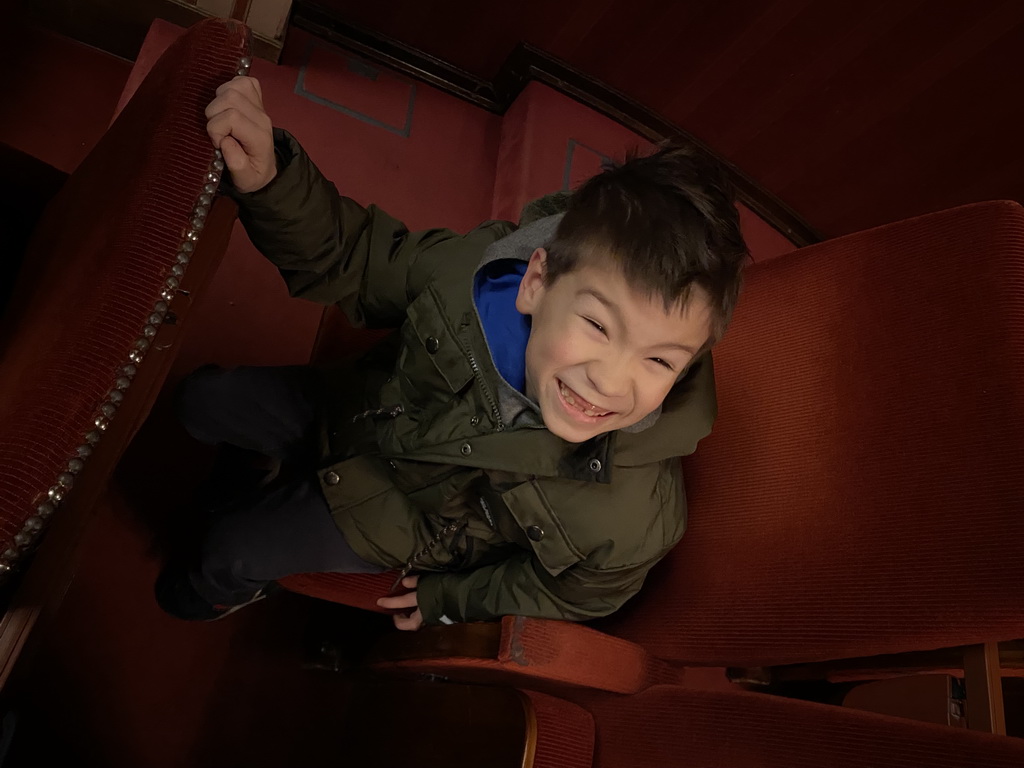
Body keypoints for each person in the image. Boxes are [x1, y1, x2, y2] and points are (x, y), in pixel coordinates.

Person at [154, 75, 748, 630]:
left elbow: (580, 592)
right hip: (359, 407)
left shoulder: (629, 522)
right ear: (537, 282)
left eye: (660, 360)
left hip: (395, 518)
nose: (612, 382)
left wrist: (452, 599)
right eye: (597, 324)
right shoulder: (473, 274)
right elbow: (358, 258)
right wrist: (271, 183)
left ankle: (221, 591)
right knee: (199, 399)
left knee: (223, 553)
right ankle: (255, 468)